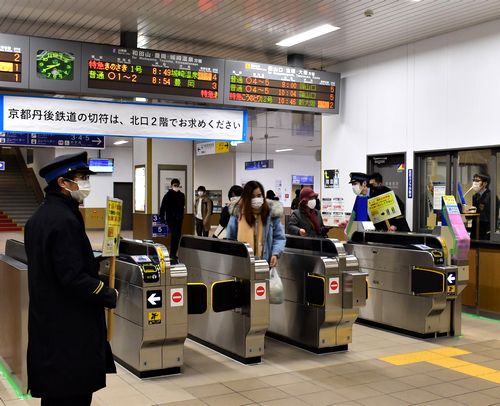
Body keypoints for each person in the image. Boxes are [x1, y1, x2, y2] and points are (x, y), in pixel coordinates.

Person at [24, 152, 118, 406]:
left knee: (56, 395)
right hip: (70, 330)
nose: (85, 183)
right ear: (62, 183)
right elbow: (72, 278)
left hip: (49, 322)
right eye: (81, 178)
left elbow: (55, 266)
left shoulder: (39, 218)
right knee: (72, 395)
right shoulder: (64, 220)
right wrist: (107, 293)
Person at [226, 180, 286, 267]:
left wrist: (275, 254)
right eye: (252, 196)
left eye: (259, 195)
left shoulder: (271, 214)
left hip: (265, 264)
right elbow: (230, 239)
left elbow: (279, 237)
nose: (256, 199)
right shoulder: (237, 214)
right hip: (243, 265)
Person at [159, 178, 185, 264]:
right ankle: (172, 253)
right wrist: (162, 218)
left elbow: (182, 207)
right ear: (171, 186)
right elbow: (162, 207)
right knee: (174, 235)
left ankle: (174, 253)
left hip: (179, 219)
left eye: (177, 185)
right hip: (171, 219)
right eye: (174, 185)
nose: (176, 187)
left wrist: (181, 216)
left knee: (177, 236)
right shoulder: (167, 195)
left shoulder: (182, 195)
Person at [470, 173, 491, 240]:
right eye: (474, 180)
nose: (474, 183)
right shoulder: (475, 196)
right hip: (475, 228)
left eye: (477, 180)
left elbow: (492, 216)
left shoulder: (491, 196)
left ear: (485, 183)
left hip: (485, 230)